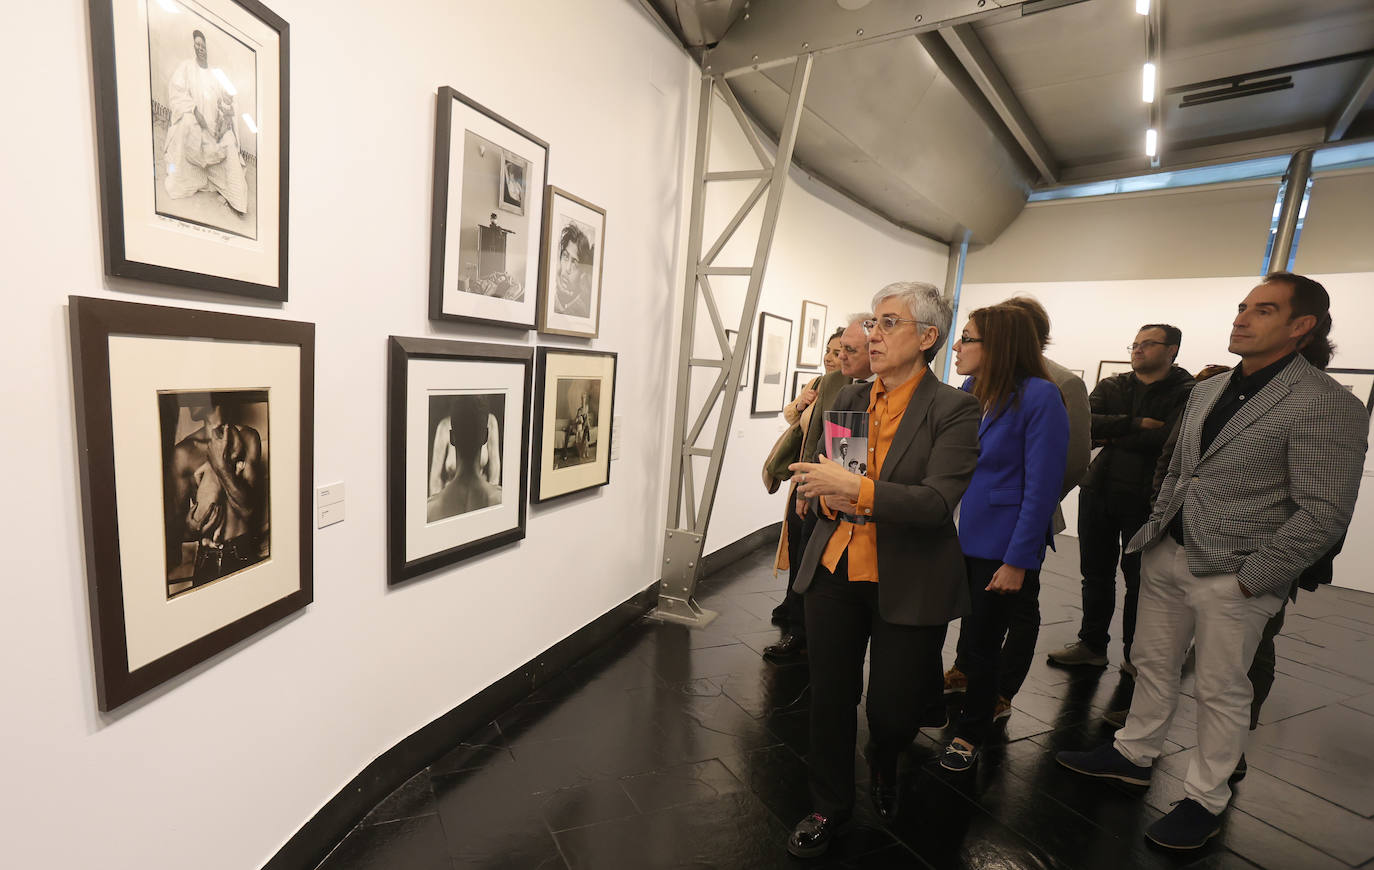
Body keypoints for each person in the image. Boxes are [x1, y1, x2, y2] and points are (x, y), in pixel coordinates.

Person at [1056, 273, 1367, 851]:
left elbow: (1324, 512)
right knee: (1151, 662)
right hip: (1168, 553)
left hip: (1237, 575)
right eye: (1243, 307)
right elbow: (1179, 467)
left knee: (1222, 689)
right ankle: (1133, 753)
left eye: (1263, 310)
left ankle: (1205, 797)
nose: (1242, 318)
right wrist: (1158, 528)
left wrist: (1256, 579)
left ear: (1302, 328)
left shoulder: (1327, 403)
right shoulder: (1209, 389)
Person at [783, 283, 980, 858]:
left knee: (892, 711)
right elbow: (834, 482)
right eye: (871, 322)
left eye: (888, 323)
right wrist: (819, 493)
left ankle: (887, 758)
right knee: (831, 698)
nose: (871, 334)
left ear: (926, 338)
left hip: (909, 574)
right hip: (836, 567)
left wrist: (856, 488)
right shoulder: (847, 400)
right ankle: (828, 803)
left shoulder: (955, 409)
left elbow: (937, 503)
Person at [943, 296, 1090, 714]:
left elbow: (1049, 479)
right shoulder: (973, 388)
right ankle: (965, 682)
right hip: (964, 528)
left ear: (1000, 343)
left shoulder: (1046, 392)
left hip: (1006, 532)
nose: (957, 347)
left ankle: (986, 711)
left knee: (999, 626)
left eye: (966, 338)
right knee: (971, 625)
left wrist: (1019, 555)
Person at [1047, 324, 1194, 673]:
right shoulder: (1114, 384)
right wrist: (1138, 423)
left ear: (1172, 349)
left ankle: (1134, 656)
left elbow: (1168, 444)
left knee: (1140, 581)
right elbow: (1086, 427)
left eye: (1148, 344)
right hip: (1099, 490)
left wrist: (1115, 434)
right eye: (1135, 344)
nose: (1138, 349)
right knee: (1094, 574)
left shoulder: (1187, 391)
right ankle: (1092, 644)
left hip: (1147, 499)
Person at [767, 326, 849, 661]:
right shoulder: (823, 384)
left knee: (814, 560)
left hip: (828, 490)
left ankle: (805, 628)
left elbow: (841, 452)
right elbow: (804, 427)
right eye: (831, 352)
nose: (836, 358)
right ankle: (796, 620)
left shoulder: (855, 389)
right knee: (802, 552)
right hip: (808, 483)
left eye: (845, 351)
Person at [165, 395, 266, 591]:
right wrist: (190, 529)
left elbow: (248, 511)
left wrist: (220, 466)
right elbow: (175, 530)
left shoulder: (249, 438)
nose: (185, 399)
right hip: (207, 561)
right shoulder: (184, 453)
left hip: (245, 554)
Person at [163, 29, 248, 215]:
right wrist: (194, 110)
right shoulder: (186, 67)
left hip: (213, 128)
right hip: (194, 121)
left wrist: (226, 104)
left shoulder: (216, 74)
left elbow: (227, 99)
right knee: (186, 124)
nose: (199, 48)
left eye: (203, 45)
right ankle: (192, 179)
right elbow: (177, 92)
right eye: (197, 45)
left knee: (228, 143)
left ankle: (235, 198)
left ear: (208, 48)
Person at [427, 395, 503, 520]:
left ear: (452, 437)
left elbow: (495, 470)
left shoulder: (430, 509)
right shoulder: (502, 500)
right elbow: (435, 478)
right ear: (485, 437)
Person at [554, 222, 594, 318]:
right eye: (565, 256)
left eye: (574, 263)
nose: (567, 269)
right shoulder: (551, 298)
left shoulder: (583, 311)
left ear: (583, 271)